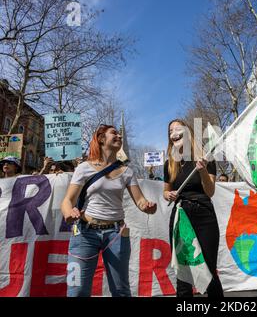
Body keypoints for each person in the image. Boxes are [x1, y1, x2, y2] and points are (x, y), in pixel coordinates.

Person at [61, 124, 157, 297]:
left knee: (121, 291)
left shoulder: (127, 171)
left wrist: (148, 206)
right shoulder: (84, 168)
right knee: (76, 291)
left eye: (120, 134)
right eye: (114, 133)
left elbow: (140, 201)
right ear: (101, 138)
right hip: (84, 234)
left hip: (116, 235)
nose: (119, 136)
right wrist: (69, 213)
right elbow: (68, 200)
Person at [163, 119, 224, 297]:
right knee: (183, 272)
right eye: (170, 131)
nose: (173, 132)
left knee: (209, 268)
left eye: (177, 129)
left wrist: (203, 170)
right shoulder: (170, 164)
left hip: (204, 215)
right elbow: (165, 192)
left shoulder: (206, 157)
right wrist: (170, 195)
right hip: (180, 216)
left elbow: (210, 191)